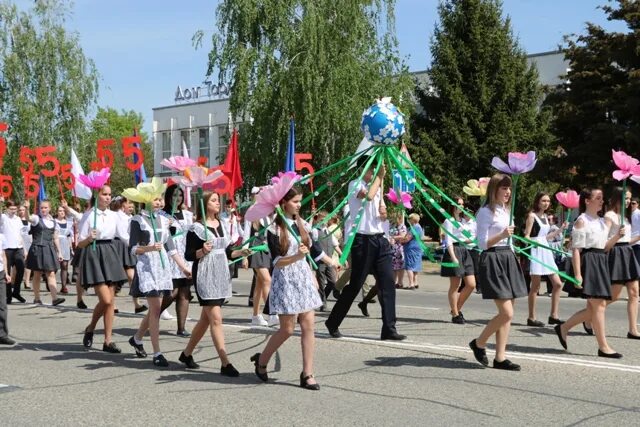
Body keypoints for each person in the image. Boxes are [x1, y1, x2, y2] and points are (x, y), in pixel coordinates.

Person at [251, 187, 323, 390]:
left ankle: (308, 373)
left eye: (300, 201)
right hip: (285, 280)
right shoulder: (273, 230)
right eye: (295, 201)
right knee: (287, 329)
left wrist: (314, 273)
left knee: (309, 326)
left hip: (303, 279)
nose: (299, 205)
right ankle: (262, 360)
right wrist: (297, 257)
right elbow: (277, 262)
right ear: (283, 204)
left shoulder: (304, 225)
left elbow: (312, 253)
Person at [325, 159, 405, 341]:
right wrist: (380, 178)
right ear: (364, 169)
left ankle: (389, 328)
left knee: (387, 284)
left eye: (378, 169)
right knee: (355, 285)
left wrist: (384, 211)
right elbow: (367, 196)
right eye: (373, 169)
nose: (376, 172)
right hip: (362, 240)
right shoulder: (355, 184)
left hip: (380, 239)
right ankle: (333, 322)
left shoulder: (377, 187)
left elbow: (377, 209)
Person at [179, 191, 249, 376]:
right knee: (216, 319)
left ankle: (186, 354)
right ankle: (225, 363)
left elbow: (226, 251)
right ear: (204, 203)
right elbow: (188, 255)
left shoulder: (222, 225)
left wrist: (240, 253)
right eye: (214, 200)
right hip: (204, 273)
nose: (218, 203)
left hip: (221, 274)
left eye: (218, 200)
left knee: (205, 320)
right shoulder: (196, 228)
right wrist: (202, 250)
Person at [554, 188, 624, 358]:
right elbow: (576, 250)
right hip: (589, 262)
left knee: (595, 307)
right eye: (598, 198)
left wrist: (616, 237)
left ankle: (564, 327)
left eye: (602, 198)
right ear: (587, 201)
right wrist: (578, 274)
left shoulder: (601, 221)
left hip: (600, 261)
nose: (602, 201)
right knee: (599, 306)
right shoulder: (581, 220)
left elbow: (605, 247)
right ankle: (603, 346)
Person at [469, 173, 527, 371]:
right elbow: (482, 243)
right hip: (493, 258)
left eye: (509, 188)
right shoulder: (485, 212)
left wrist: (512, 249)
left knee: (509, 313)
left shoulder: (505, 210)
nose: (508, 192)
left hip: (508, 257)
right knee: (506, 312)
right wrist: (502, 234)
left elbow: (507, 239)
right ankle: (479, 343)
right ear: (494, 189)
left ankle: (500, 357)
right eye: (504, 188)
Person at [128, 192, 192, 367]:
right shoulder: (137, 220)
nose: (160, 202)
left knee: (154, 309)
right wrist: (149, 248)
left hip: (162, 267)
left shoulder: (164, 220)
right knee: (156, 308)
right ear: (146, 201)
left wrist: (184, 268)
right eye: (156, 199)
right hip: (147, 267)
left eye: (160, 199)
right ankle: (157, 353)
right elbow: (133, 249)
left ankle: (137, 338)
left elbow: (171, 249)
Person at [79, 185, 128, 353]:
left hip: (111, 252)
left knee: (111, 302)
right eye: (104, 194)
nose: (108, 197)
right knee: (106, 300)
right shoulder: (89, 215)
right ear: (97, 195)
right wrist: (88, 238)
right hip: (94, 253)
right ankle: (91, 328)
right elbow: (79, 243)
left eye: (109, 194)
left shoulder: (114, 216)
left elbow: (124, 236)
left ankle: (108, 341)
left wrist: (143, 248)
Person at [523, 192, 566, 326]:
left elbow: (545, 237)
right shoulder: (531, 216)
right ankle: (531, 317)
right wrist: (532, 242)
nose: (546, 203)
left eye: (548, 201)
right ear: (537, 201)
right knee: (535, 287)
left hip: (545, 250)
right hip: (536, 251)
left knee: (558, 284)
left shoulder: (546, 217)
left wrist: (560, 230)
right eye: (543, 201)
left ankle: (553, 315)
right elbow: (526, 236)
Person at [604, 187, 640, 339]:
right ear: (616, 198)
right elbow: (604, 243)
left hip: (627, 252)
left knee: (634, 292)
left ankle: (633, 329)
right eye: (625, 198)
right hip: (616, 254)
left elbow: (627, 240)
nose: (627, 202)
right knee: (615, 295)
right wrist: (618, 236)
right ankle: (590, 315)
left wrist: (638, 237)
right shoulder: (609, 215)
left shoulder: (626, 217)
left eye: (629, 199)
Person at [440, 196, 477, 324]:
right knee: (455, 286)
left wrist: (474, 239)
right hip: (454, 251)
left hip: (464, 251)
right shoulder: (448, 221)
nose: (462, 207)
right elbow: (449, 241)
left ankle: (456, 308)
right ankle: (455, 313)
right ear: (453, 205)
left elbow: (466, 236)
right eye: (459, 204)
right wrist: (454, 257)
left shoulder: (462, 220)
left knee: (471, 284)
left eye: (462, 204)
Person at [111, 196, 148, 315]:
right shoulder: (116, 216)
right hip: (119, 246)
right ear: (123, 205)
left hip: (129, 247)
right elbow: (122, 234)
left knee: (132, 276)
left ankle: (137, 304)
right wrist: (134, 245)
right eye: (129, 204)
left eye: (132, 205)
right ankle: (112, 304)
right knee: (116, 278)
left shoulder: (131, 218)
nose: (131, 207)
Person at [26, 200, 65, 306]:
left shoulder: (54, 222)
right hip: (37, 248)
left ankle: (55, 298)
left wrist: (59, 252)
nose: (43, 209)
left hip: (49, 248)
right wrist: (26, 209)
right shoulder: (36, 218)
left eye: (45, 207)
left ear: (49, 208)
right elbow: (28, 218)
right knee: (37, 274)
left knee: (51, 273)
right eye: (41, 207)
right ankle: (37, 298)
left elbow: (55, 238)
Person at [1, 199, 26, 304]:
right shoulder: (3, 217)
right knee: (7, 273)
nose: (13, 211)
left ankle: (16, 292)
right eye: (11, 209)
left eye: (15, 209)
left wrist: (24, 249)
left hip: (18, 248)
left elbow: (20, 234)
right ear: (7, 208)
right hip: (7, 248)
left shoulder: (18, 219)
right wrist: (1, 203)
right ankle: (8, 295)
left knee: (21, 270)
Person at [403, 213, 424, 289]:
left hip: (411, 248)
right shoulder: (420, 227)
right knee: (416, 266)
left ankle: (411, 283)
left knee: (410, 266)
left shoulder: (413, 228)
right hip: (418, 248)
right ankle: (416, 282)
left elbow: (407, 238)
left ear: (413, 220)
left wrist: (400, 240)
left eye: (409, 219)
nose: (408, 220)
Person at [54, 206, 73, 295]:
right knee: (54, 267)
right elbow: (54, 236)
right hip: (56, 244)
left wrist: (71, 248)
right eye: (59, 211)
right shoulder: (54, 222)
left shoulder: (68, 223)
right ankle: (49, 282)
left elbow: (69, 236)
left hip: (65, 244)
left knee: (64, 265)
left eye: (63, 211)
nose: (61, 212)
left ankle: (64, 286)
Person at [0, 235, 14, 345]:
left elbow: (3, 255)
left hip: (0, 273)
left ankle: (2, 335)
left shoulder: (2, 237)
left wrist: (6, 272)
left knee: (2, 305)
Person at [17, 204, 32, 290]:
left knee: (28, 263)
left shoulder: (29, 221)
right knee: (18, 263)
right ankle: (14, 280)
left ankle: (27, 281)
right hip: (19, 242)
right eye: (20, 210)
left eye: (23, 210)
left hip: (28, 242)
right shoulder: (17, 220)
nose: (22, 211)